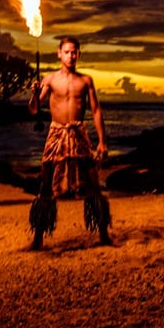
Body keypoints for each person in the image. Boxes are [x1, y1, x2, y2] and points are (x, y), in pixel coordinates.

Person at [27, 36, 112, 249]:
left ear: (79, 54)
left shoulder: (86, 80)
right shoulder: (50, 80)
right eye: (67, 52)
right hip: (56, 132)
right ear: (59, 54)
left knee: (92, 182)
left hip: (78, 132)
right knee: (46, 183)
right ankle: (38, 238)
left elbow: (95, 110)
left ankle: (104, 235)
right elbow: (34, 109)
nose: (71, 56)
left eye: (74, 52)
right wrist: (35, 94)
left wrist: (102, 141)